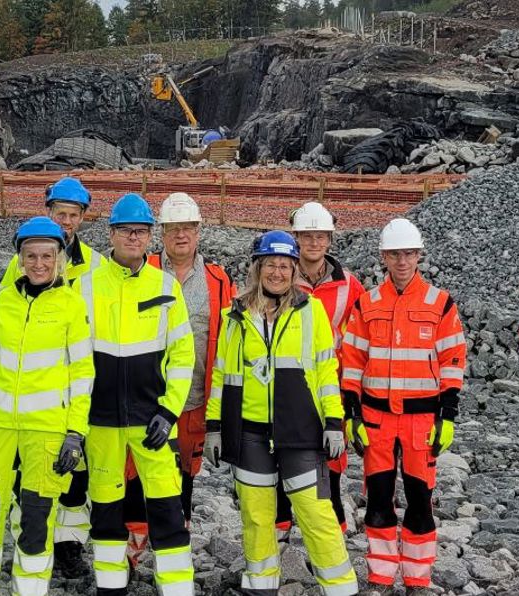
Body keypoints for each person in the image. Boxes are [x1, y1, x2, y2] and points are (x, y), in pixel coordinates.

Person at [203, 230, 358, 596]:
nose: (277, 272)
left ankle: (340, 588)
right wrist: (214, 426)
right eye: (270, 265)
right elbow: (222, 375)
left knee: (316, 514)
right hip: (250, 434)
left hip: (301, 432)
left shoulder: (311, 311)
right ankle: (260, 587)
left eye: (284, 266)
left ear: (293, 270)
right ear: (257, 269)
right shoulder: (235, 316)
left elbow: (326, 371)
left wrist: (333, 422)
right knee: (257, 518)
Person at [0, 216, 94, 596]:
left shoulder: (71, 305)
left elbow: (82, 373)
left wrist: (75, 433)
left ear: (59, 259)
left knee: (36, 523)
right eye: (31, 256)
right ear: (20, 260)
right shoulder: (5, 301)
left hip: (46, 431)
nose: (38, 264)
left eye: (47, 256)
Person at [76, 193, 196, 596]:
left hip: (152, 420)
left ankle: (176, 588)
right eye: (126, 230)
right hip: (100, 421)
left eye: (141, 232)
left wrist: (170, 410)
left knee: (167, 508)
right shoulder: (84, 287)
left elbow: (183, 355)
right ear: (111, 233)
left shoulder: (165, 286)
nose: (134, 237)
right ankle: (111, 586)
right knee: (106, 510)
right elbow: (71, 356)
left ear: (150, 237)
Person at [340, 218, 467, 596]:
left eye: (409, 254)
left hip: (421, 421)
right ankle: (380, 576)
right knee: (378, 499)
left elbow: (453, 361)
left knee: (420, 501)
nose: (402, 261)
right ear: (383, 256)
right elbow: (352, 362)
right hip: (376, 419)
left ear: (419, 255)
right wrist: (352, 413)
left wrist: (447, 415)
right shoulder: (367, 303)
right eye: (395, 254)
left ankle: (417, 578)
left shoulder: (439, 303)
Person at [122, 192, 235, 562]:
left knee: (185, 471)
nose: (181, 234)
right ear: (162, 233)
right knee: (136, 469)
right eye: (173, 228)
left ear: (199, 230)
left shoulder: (218, 280)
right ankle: (133, 545)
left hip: (194, 399)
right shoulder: (144, 271)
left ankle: (174, 541)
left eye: (187, 227)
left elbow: (229, 343)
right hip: (147, 399)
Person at [1, 175, 104, 575]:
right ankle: (30, 538)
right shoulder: (23, 260)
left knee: (75, 468)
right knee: (27, 467)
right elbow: (10, 317)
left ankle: (69, 543)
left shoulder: (95, 264)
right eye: (60, 213)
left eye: (73, 215)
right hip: (35, 383)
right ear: (48, 211)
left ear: (82, 217)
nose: (66, 221)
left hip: (74, 378)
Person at [290, 201, 366, 535]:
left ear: (330, 240)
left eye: (321, 236)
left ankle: (332, 529)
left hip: (332, 385)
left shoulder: (349, 285)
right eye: (308, 236)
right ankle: (287, 529)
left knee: (331, 460)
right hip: (289, 382)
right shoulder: (282, 276)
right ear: (297, 238)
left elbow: (359, 338)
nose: (314, 242)